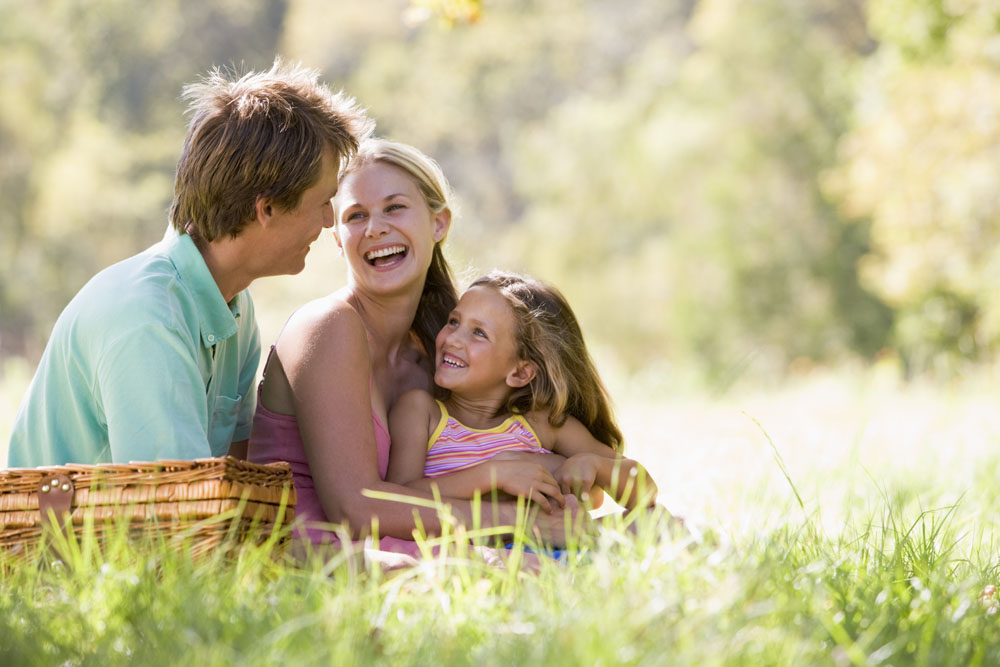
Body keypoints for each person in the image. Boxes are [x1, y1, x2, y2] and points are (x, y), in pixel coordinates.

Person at [7, 60, 373, 467]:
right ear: (267, 208)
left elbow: (234, 479)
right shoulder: (147, 319)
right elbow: (170, 510)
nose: (328, 221)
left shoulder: (236, 304)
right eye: (323, 202)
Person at [247, 139, 580, 554]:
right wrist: (522, 525)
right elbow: (354, 509)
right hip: (315, 557)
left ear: (439, 223)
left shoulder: (441, 350)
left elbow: (512, 444)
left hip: (408, 546)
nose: (375, 228)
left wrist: (562, 486)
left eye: (394, 207)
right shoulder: (328, 326)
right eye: (356, 216)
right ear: (338, 239)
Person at [386, 271, 658, 514]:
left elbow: (645, 490)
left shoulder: (541, 423)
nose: (453, 339)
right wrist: (493, 475)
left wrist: (594, 465)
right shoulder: (421, 412)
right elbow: (396, 498)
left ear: (520, 373)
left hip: (551, 549)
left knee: (660, 522)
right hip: (467, 553)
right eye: (454, 322)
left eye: (478, 333)